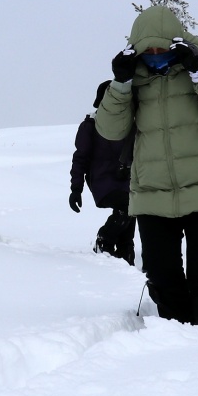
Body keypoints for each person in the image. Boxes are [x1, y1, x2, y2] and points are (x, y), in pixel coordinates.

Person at [96, 6, 198, 323]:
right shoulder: (132, 78)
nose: (154, 55)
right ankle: (175, 355)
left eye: (161, 48)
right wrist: (121, 84)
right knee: (164, 288)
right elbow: (110, 130)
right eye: (147, 50)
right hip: (152, 196)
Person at [70, 80, 136, 265]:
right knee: (129, 206)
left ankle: (125, 257)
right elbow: (80, 157)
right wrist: (76, 189)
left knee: (132, 211)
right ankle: (104, 240)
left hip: (127, 180)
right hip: (102, 181)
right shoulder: (90, 125)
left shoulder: (130, 124)